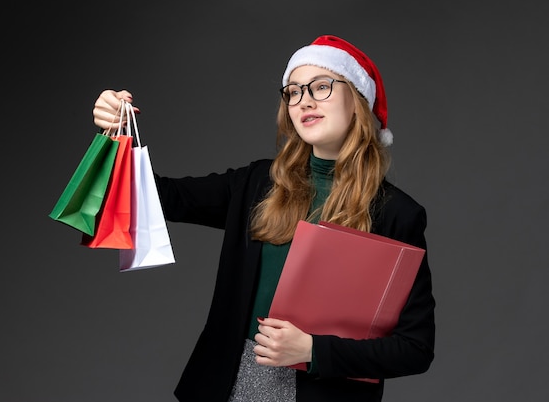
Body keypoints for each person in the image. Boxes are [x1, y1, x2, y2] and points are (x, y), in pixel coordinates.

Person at [92, 35, 435, 402]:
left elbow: (414, 348)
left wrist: (313, 351)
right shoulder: (257, 183)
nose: (305, 100)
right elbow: (158, 199)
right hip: (224, 387)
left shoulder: (396, 213)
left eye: (321, 87)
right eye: (293, 91)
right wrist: (117, 133)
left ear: (358, 100)